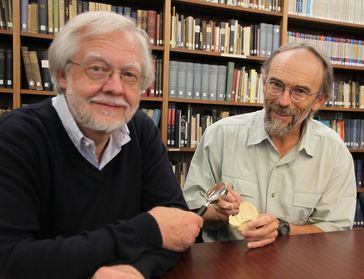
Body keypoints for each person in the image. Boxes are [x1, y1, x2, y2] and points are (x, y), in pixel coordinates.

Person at [0, 11, 203, 279]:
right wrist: (145, 231)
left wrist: (136, 269)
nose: (115, 88)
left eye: (130, 74)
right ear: (63, 74)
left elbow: (179, 229)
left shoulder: (140, 130)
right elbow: (10, 261)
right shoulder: (16, 137)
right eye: (97, 69)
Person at [183, 43, 357, 249]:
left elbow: (335, 229)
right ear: (264, 83)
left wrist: (283, 229)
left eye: (299, 91)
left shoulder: (334, 152)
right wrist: (218, 212)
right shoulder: (220, 135)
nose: (283, 101)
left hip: (296, 265)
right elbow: (191, 210)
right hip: (225, 263)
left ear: (319, 100)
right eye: (276, 84)